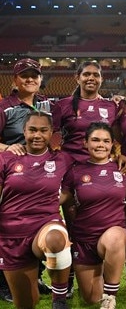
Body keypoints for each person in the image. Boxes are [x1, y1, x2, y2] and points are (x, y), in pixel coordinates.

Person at [0, 112, 74, 309]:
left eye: (43, 130)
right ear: (24, 131)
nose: (37, 135)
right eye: (32, 130)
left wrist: (55, 198)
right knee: (26, 303)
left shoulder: (62, 159)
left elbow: (69, 190)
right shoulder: (6, 159)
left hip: (45, 224)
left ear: (52, 133)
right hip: (10, 235)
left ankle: (59, 300)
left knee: (56, 240)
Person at [0, 58, 54, 302]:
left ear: (41, 79)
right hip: (10, 176)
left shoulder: (47, 105)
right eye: (25, 75)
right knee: (8, 227)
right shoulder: (5, 107)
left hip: (40, 177)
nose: (30, 79)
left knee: (38, 224)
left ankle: (36, 275)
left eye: (35, 75)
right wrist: (6, 148)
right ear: (15, 80)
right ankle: (4, 281)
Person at [60, 122, 126, 309]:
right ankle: (101, 282)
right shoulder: (75, 171)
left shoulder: (122, 168)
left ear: (112, 144)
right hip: (84, 239)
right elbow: (62, 199)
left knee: (115, 237)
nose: (100, 145)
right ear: (85, 143)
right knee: (91, 299)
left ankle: (111, 294)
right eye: (95, 140)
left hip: (114, 233)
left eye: (106, 141)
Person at [51, 61, 119, 163]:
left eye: (96, 75)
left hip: (100, 165)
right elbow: (46, 134)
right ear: (78, 78)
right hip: (71, 166)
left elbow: (118, 137)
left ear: (101, 79)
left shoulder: (111, 106)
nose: (91, 78)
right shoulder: (63, 105)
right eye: (86, 74)